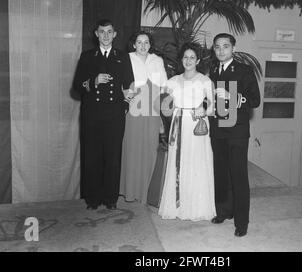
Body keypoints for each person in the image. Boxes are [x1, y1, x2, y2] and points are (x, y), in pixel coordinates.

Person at [72, 19, 134, 210]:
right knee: (92, 157)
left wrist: (125, 105)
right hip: (92, 115)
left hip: (115, 115)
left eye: (109, 32)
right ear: (96, 34)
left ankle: (110, 199)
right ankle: (92, 199)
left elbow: (130, 84)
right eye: (102, 32)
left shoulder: (122, 56)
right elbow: (76, 87)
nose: (106, 36)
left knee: (113, 157)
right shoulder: (87, 56)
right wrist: (94, 81)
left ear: (115, 34)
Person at [208, 33, 260, 237]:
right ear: (214, 50)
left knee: (238, 175)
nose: (221, 50)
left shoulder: (245, 70)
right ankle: (223, 212)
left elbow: (255, 100)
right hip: (217, 129)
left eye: (225, 46)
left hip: (237, 130)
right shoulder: (211, 71)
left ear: (233, 49)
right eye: (217, 47)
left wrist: (232, 96)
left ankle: (242, 222)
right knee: (221, 173)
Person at [158, 43, 216, 221]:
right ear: (181, 59)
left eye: (192, 57)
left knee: (197, 163)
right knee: (178, 163)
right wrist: (167, 112)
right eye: (185, 57)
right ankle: (177, 206)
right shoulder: (172, 81)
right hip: (178, 123)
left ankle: (197, 207)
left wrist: (204, 109)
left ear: (198, 60)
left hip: (197, 126)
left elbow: (213, 107)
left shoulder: (205, 81)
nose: (188, 60)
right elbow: (164, 106)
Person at [119, 31, 167, 204]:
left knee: (149, 149)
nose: (143, 45)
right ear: (134, 44)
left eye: (146, 42)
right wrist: (125, 96)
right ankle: (130, 191)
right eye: (139, 42)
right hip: (133, 109)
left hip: (152, 109)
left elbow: (163, 88)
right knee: (131, 148)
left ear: (150, 44)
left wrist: (161, 114)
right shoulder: (126, 58)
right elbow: (120, 84)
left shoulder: (157, 60)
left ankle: (146, 192)